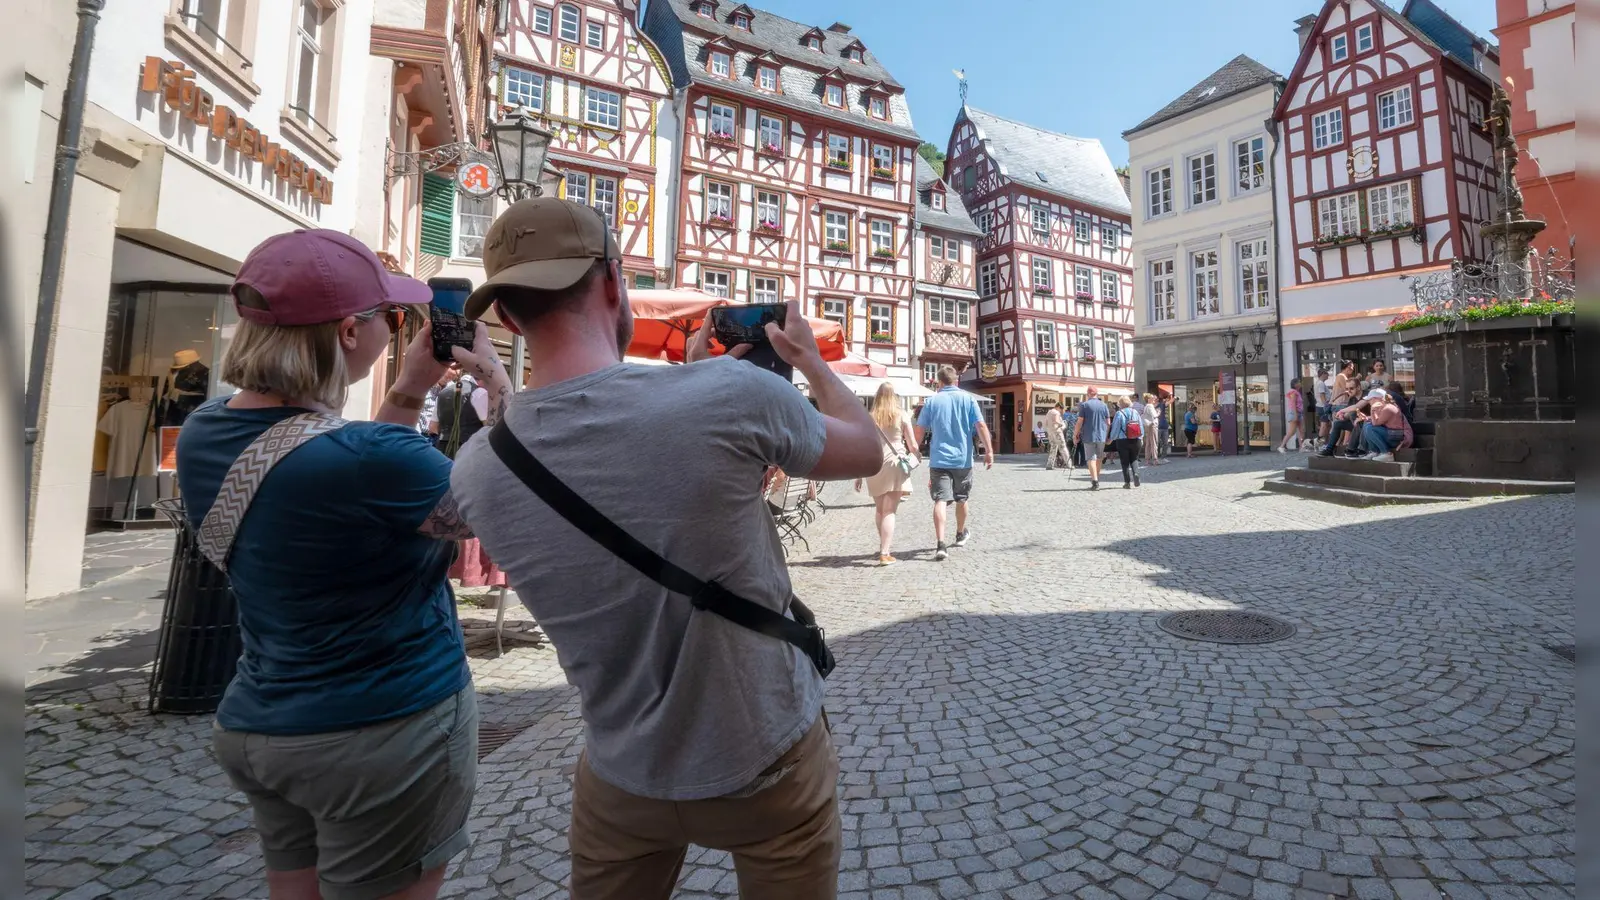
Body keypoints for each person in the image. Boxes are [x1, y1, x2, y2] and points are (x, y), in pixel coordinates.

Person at [448, 198, 884, 899]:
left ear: (502, 316)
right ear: (614, 284)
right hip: (765, 750)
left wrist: (438, 388)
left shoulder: (476, 469)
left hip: (624, 772)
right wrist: (805, 360)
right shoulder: (733, 392)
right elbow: (866, 451)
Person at [176, 230, 513, 900]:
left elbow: (351, 472)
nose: (398, 330)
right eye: (388, 318)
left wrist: (412, 389)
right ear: (348, 333)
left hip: (263, 724)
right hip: (382, 733)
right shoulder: (370, 460)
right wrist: (497, 383)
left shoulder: (203, 433)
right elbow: (497, 509)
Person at [917, 365, 995, 561]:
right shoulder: (968, 399)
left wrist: (915, 449)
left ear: (939, 382)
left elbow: (919, 428)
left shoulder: (932, 401)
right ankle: (960, 534)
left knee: (940, 500)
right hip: (962, 459)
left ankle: (941, 544)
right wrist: (989, 451)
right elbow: (981, 425)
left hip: (939, 459)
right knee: (961, 498)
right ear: (956, 381)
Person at [855, 382, 919, 564]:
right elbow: (913, 445)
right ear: (894, 396)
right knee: (889, 511)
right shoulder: (902, 415)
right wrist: (916, 455)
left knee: (880, 510)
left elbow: (863, 447)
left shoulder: (870, 417)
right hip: (895, 463)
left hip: (874, 466)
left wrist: (859, 474)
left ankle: (883, 546)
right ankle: (885, 552)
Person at [435, 365, 488, 459]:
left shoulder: (443, 392)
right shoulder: (480, 393)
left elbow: (432, 427)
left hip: (442, 449)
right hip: (468, 450)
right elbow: (487, 426)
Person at [1071, 387, 1111, 490]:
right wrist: (1106, 436)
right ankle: (1096, 479)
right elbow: (1108, 423)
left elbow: (1079, 422)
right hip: (1101, 436)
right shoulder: (1104, 405)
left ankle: (1095, 481)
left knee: (1091, 459)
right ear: (1097, 394)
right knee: (1099, 458)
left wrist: (1075, 435)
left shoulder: (1084, 405)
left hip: (1089, 436)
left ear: (1088, 394)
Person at [1358, 388, 1408, 460]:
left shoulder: (1388, 408)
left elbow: (1375, 423)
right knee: (1367, 425)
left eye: (1370, 400)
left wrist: (1372, 410)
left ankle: (1387, 453)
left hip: (1395, 438)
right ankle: (1374, 451)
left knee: (1370, 428)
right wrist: (1366, 418)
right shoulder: (1384, 407)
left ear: (1376, 399)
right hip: (1390, 435)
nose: (1369, 402)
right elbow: (1377, 419)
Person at [1109, 395, 1143, 489]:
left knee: (1124, 462)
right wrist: (1141, 437)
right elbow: (1141, 426)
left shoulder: (1119, 413)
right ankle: (1136, 474)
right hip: (1136, 439)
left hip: (1122, 440)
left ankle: (1127, 482)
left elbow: (1115, 428)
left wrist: (1111, 439)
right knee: (1134, 459)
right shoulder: (1135, 412)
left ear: (1120, 404)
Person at [1277, 381, 1304, 453]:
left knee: (1301, 431)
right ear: (1295, 384)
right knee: (1292, 432)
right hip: (1294, 413)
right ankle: (1281, 446)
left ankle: (1302, 447)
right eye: (1299, 382)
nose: (1300, 383)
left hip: (1299, 413)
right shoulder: (1293, 392)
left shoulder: (1297, 392)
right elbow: (1293, 404)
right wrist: (1295, 415)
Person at [1044, 401, 1067, 470]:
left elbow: (1046, 423)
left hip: (1051, 433)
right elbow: (1058, 423)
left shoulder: (1049, 413)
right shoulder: (1055, 413)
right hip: (1055, 433)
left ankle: (1050, 464)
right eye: (1061, 409)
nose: (1061, 411)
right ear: (1058, 407)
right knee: (1057, 448)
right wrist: (1061, 426)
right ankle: (1051, 465)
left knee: (1053, 449)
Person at [1313, 367, 1334, 442]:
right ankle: (1319, 442)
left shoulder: (1318, 383)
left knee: (1326, 425)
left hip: (1320, 406)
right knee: (1324, 425)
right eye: (1326, 373)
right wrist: (1326, 406)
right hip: (1323, 407)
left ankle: (1324, 441)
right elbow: (1322, 395)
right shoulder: (1321, 383)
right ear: (1323, 374)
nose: (1328, 375)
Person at [1140, 393, 1160, 466]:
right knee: (1154, 442)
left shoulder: (1147, 406)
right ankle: (1155, 459)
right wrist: (1158, 412)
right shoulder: (1150, 406)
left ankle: (1147, 460)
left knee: (1148, 443)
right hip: (1152, 425)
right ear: (1149, 399)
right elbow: (1154, 416)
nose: (1154, 399)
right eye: (1152, 398)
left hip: (1147, 425)